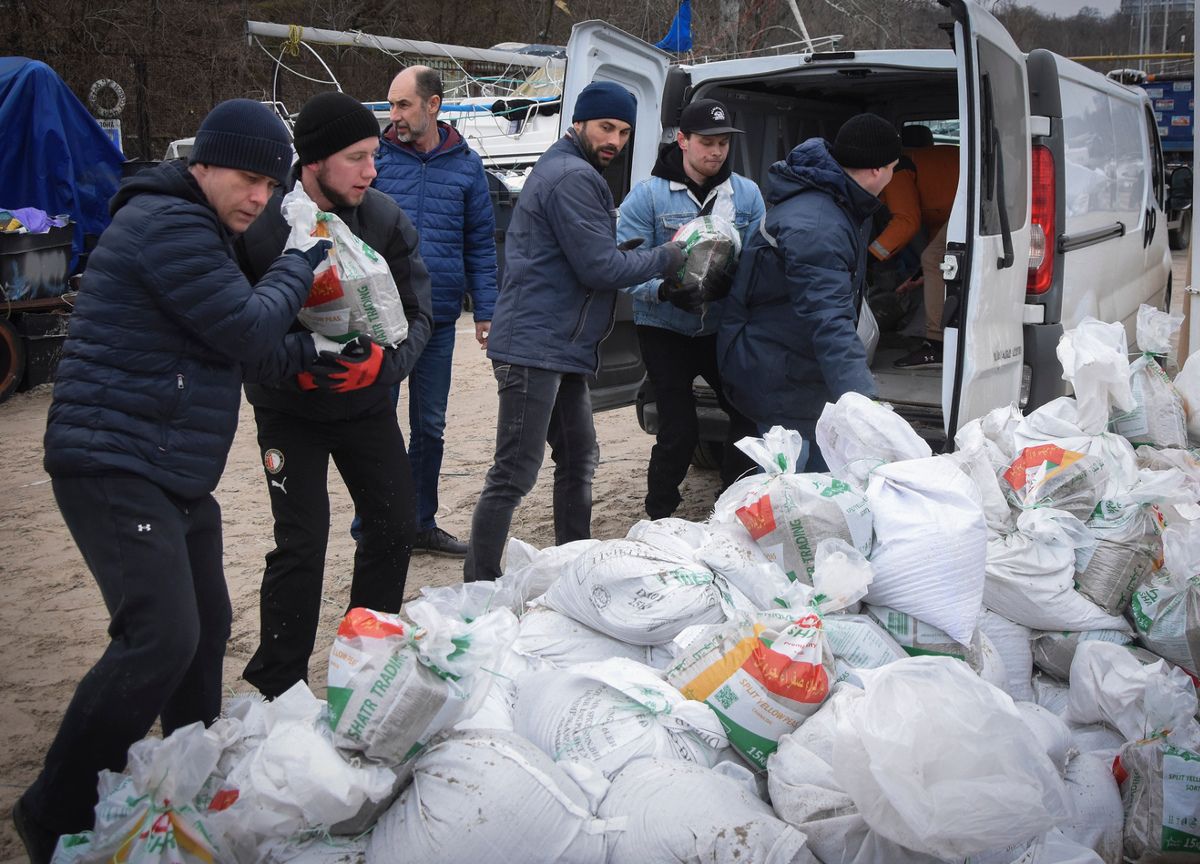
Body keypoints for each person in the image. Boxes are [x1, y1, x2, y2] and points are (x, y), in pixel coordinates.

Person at [14, 99, 326, 864]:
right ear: (205, 164)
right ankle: (50, 810)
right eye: (249, 178)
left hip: (170, 468)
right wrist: (299, 261)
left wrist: (318, 356)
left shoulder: (203, 236)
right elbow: (251, 326)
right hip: (113, 461)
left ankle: (189, 778)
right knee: (160, 635)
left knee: (204, 632)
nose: (259, 196)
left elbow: (237, 347)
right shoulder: (169, 225)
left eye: (271, 184)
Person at [235, 91, 434, 699]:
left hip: (367, 404)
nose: (371, 171)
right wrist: (300, 368)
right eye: (356, 158)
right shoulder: (263, 227)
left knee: (394, 525)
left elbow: (421, 312)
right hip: (289, 410)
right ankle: (277, 688)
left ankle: (366, 662)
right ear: (313, 161)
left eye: (374, 156)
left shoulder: (383, 218)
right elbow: (239, 328)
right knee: (302, 542)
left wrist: (386, 365)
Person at [464, 80, 686, 583]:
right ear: (579, 123)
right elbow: (599, 268)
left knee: (579, 455)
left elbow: (580, 254)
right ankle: (478, 586)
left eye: (624, 131)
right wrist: (669, 257)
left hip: (558, 346)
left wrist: (623, 251)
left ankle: (575, 567)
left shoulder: (570, 171)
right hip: (534, 346)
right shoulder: (573, 176)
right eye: (606, 127)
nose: (615, 140)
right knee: (513, 473)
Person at [718, 113, 901, 472]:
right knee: (790, 495)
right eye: (894, 166)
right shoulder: (819, 225)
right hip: (780, 373)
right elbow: (829, 321)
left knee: (815, 485)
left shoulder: (834, 201)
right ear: (878, 170)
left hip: (793, 362)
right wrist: (867, 404)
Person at [616, 98, 765, 519]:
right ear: (682, 140)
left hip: (722, 328)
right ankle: (659, 516)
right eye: (706, 142)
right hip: (664, 328)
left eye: (722, 143)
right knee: (678, 431)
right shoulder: (646, 197)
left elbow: (758, 262)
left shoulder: (747, 195)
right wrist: (663, 291)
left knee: (749, 416)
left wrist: (733, 285)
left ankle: (730, 509)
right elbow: (623, 268)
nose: (716, 152)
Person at [373, 66, 497, 557]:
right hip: (380, 318)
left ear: (433, 105)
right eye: (390, 104)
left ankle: (421, 523)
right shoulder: (376, 159)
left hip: (438, 318)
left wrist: (485, 309)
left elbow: (480, 245)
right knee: (376, 424)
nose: (394, 115)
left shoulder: (466, 166)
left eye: (403, 104)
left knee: (430, 426)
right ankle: (376, 525)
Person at [893, 124, 960, 370]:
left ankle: (936, 345)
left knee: (933, 258)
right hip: (975, 199)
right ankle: (947, 340)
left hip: (971, 201)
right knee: (935, 259)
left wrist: (870, 257)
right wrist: (920, 275)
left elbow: (906, 222)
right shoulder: (935, 160)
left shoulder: (899, 165)